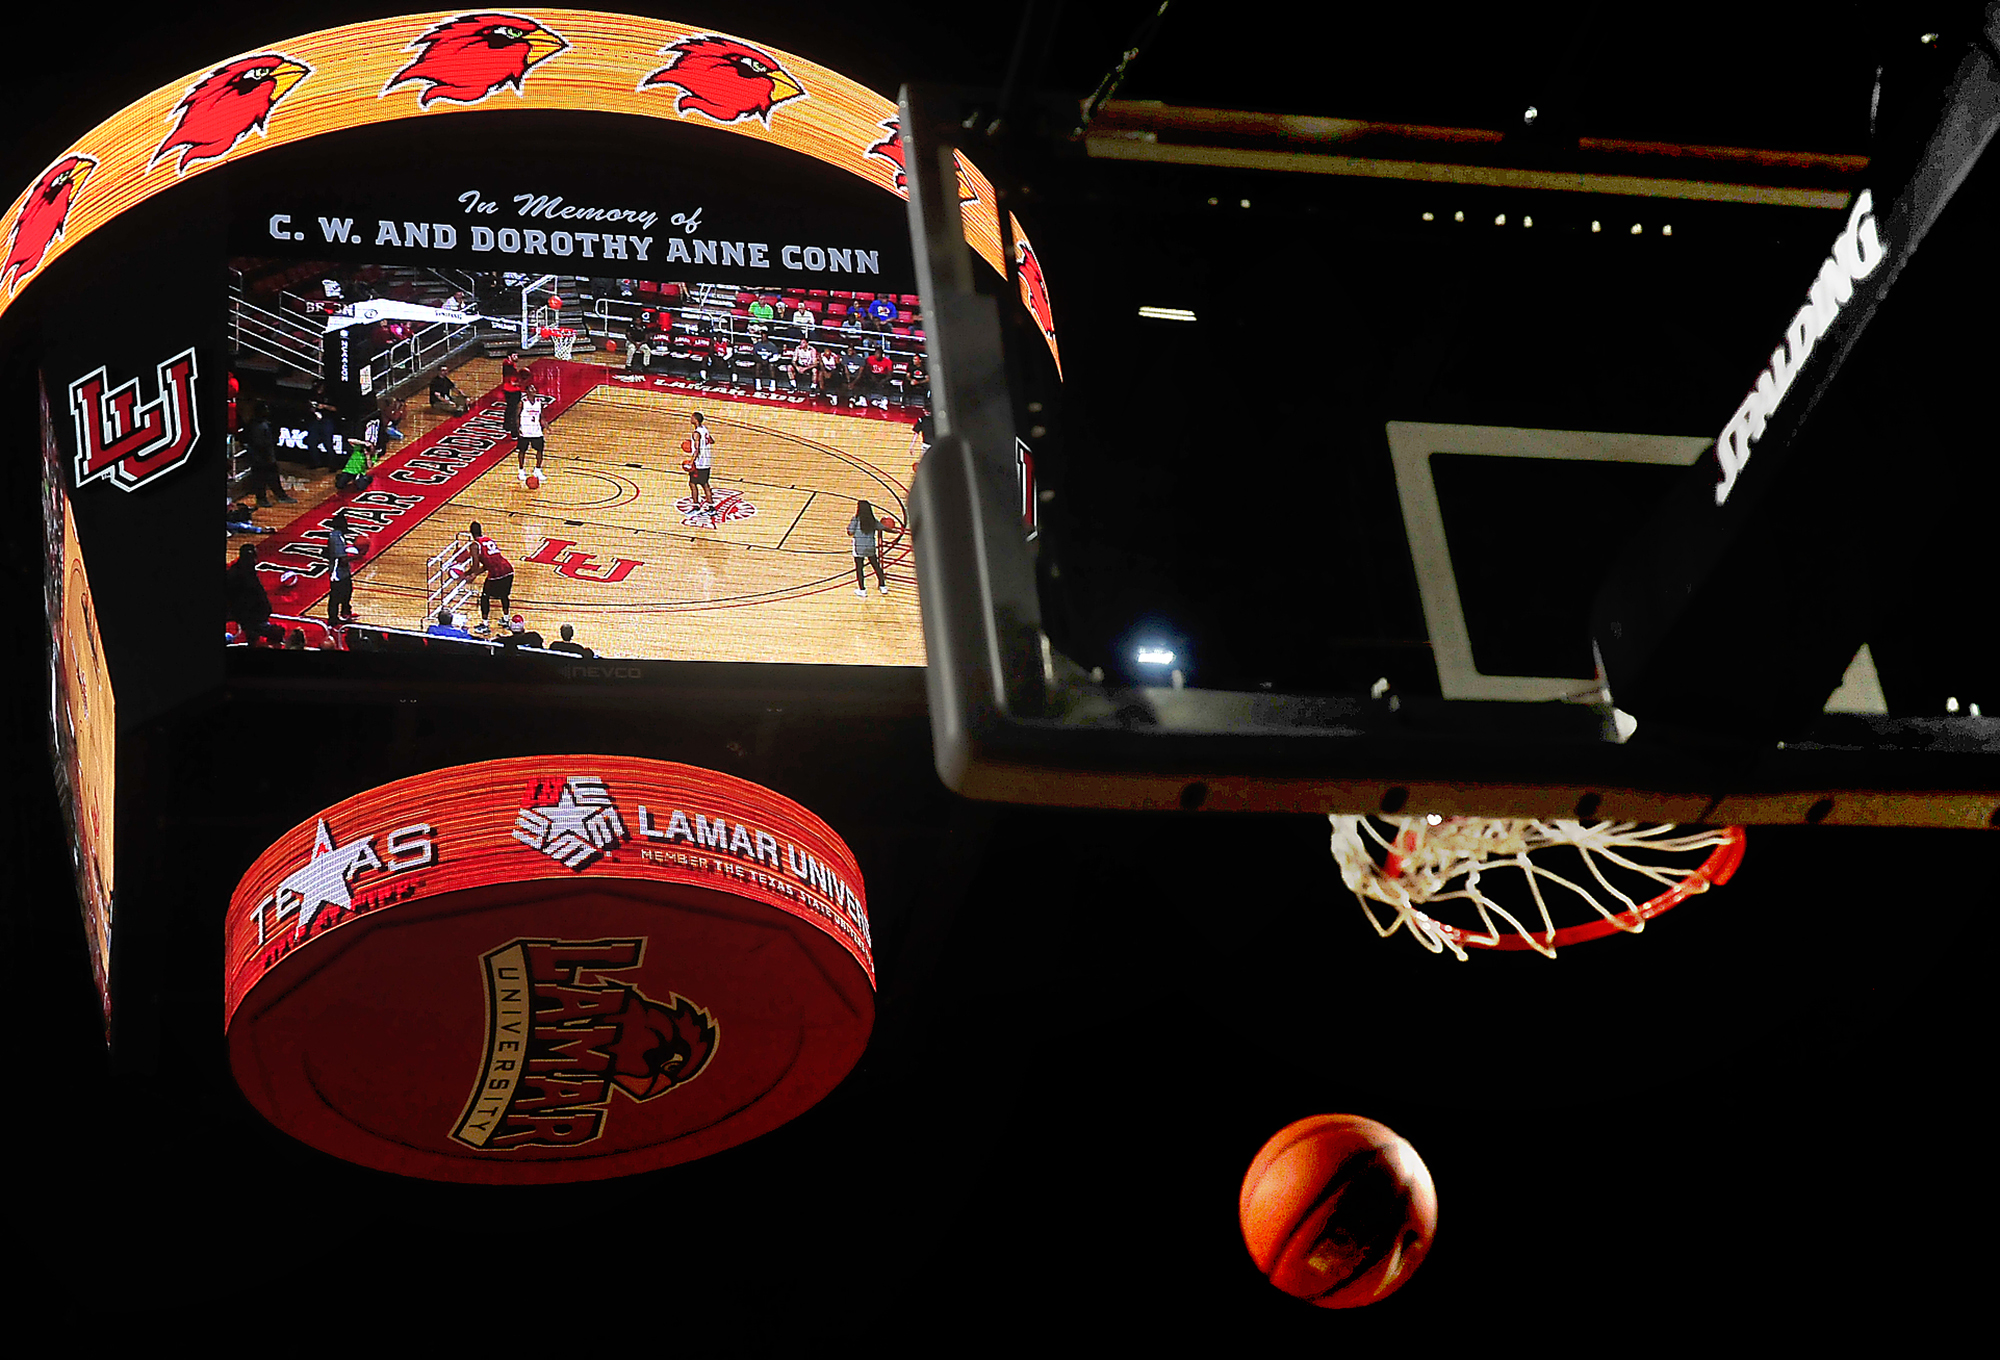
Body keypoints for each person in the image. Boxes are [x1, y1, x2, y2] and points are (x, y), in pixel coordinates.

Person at [226, 544, 285, 645]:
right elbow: (257, 593)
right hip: (251, 612)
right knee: (264, 629)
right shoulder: (248, 573)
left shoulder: (234, 570)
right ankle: (275, 639)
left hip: (240, 611)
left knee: (253, 630)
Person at [463, 521, 514, 634]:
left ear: (471, 532)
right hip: (508, 569)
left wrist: (466, 574)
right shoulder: (488, 540)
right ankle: (506, 619)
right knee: (504, 596)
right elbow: (488, 564)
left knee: (484, 597)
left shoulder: (474, 545)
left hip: (496, 574)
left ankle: (485, 625)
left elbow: (475, 565)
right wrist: (474, 574)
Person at [241, 402, 291, 505]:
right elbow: (259, 443)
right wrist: (265, 456)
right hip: (260, 457)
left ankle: (280, 496)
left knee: (273, 478)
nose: (267, 412)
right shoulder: (257, 425)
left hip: (266, 456)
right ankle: (262, 499)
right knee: (260, 480)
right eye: (265, 410)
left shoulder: (263, 423)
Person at [847, 500, 888, 598]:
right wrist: (894, 530)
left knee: (859, 568)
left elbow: (850, 532)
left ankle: (862, 590)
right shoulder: (872, 520)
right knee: (876, 565)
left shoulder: (856, 519)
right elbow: (882, 527)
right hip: (870, 547)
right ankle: (883, 586)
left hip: (859, 548)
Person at [325, 510, 357, 626]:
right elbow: (342, 559)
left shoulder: (337, 535)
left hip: (342, 571)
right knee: (336, 596)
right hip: (337, 572)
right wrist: (357, 556)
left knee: (347, 591)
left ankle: (345, 613)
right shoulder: (336, 537)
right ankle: (333, 619)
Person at [516, 384, 550, 480]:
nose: (534, 390)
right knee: (522, 451)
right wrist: (518, 429)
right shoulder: (522, 402)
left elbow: (541, 416)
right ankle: (521, 470)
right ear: (527, 391)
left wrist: (546, 426)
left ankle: (538, 470)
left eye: (534, 388)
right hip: (525, 430)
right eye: (531, 389)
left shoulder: (539, 402)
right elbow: (517, 416)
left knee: (540, 450)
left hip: (536, 430)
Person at [687, 412, 716, 516]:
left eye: (692, 417)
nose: (690, 419)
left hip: (699, 463)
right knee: (705, 485)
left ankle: (696, 506)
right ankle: (711, 507)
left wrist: (691, 462)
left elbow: (697, 450)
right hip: (707, 461)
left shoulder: (696, 433)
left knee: (692, 484)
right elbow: (712, 441)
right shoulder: (704, 429)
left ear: (696, 420)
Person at [500, 353, 527, 433]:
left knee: (510, 408)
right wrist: (522, 381)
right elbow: (512, 382)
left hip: (508, 389)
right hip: (511, 391)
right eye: (514, 356)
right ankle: (513, 429)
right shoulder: (509, 367)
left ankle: (507, 425)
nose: (517, 357)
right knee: (513, 410)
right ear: (509, 356)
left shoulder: (508, 364)